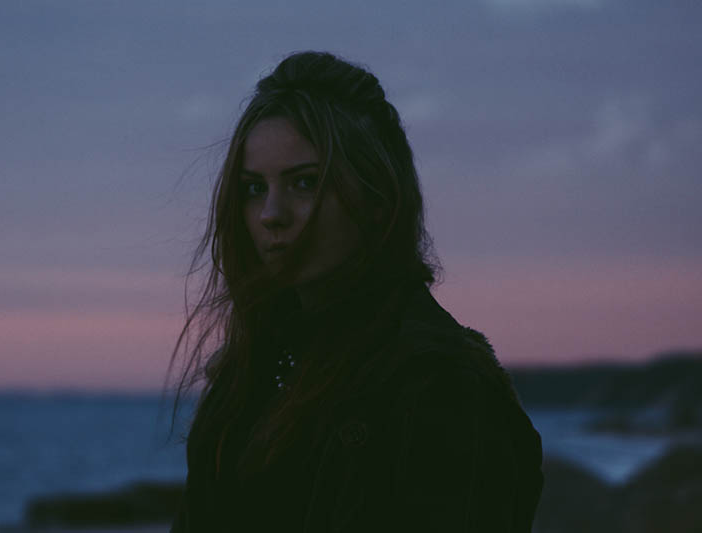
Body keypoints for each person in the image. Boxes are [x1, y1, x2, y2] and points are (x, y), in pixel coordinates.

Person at [169, 51, 543, 532]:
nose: (271, 214)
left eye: (304, 183)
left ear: (376, 197)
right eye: (253, 188)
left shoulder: (440, 385)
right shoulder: (249, 375)